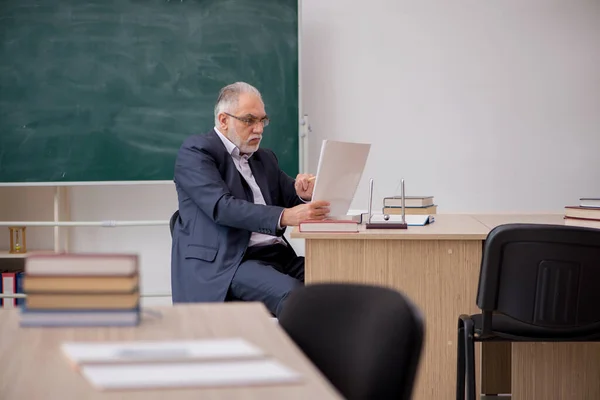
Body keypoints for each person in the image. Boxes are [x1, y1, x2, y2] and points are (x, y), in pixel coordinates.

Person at [171, 82, 330, 317]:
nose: (259, 129)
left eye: (262, 120)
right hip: (231, 262)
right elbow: (222, 208)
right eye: (249, 120)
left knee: (338, 282)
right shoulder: (196, 152)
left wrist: (304, 194)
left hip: (277, 257)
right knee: (296, 298)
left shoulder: (264, 158)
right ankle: (295, 354)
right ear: (223, 120)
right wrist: (285, 216)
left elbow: (290, 195)